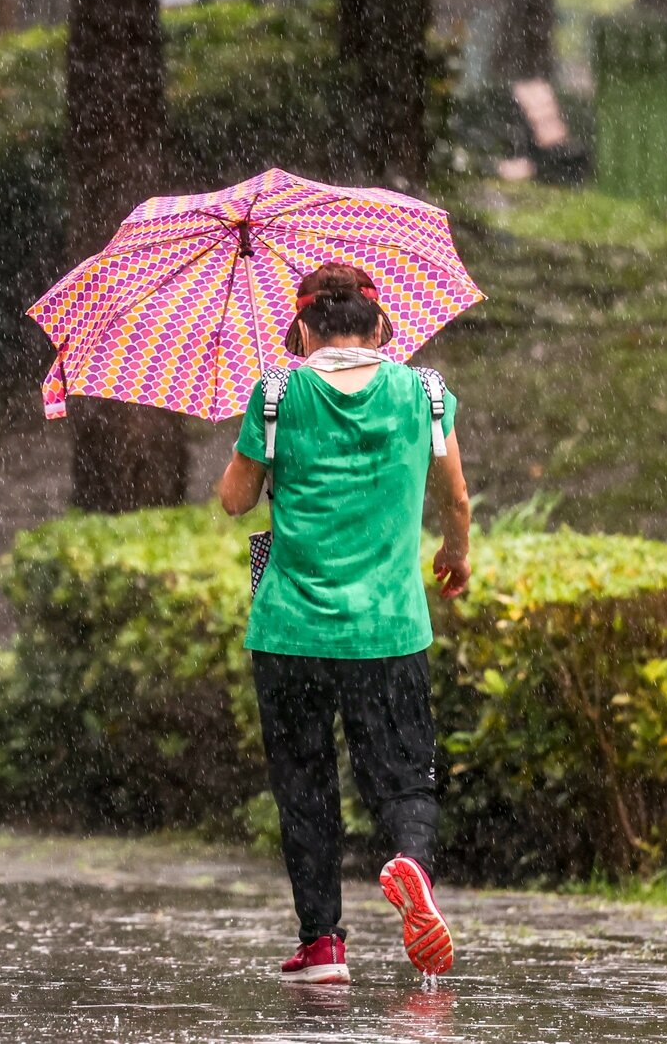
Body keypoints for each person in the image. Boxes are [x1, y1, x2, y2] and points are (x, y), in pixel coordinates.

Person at [218, 262, 472, 986]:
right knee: (405, 778)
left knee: (303, 781)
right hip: (389, 628)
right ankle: (411, 867)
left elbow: (234, 501)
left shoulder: (275, 394)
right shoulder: (425, 393)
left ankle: (322, 942)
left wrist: (261, 449)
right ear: (381, 323)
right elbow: (455, 499)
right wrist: (456, 556)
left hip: (290, 628)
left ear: (302, 327)